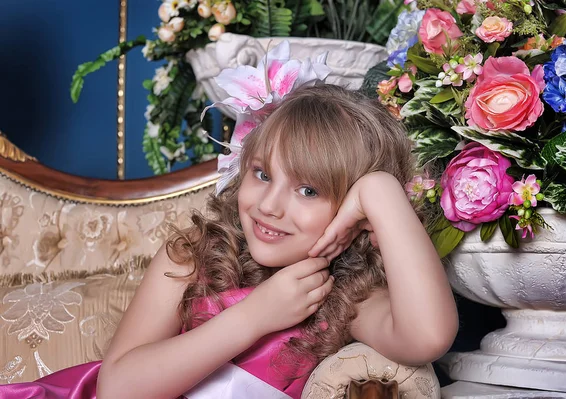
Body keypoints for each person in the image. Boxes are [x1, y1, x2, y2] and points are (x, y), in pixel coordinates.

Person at [0, 42, 457, 399]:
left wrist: (381, 192)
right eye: (262, 174)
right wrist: (255, 316)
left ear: (354, 213)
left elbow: (429, 337)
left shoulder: (347, 298)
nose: (269, 205)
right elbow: (116, 389)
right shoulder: (194, 254)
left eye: (308, 190)